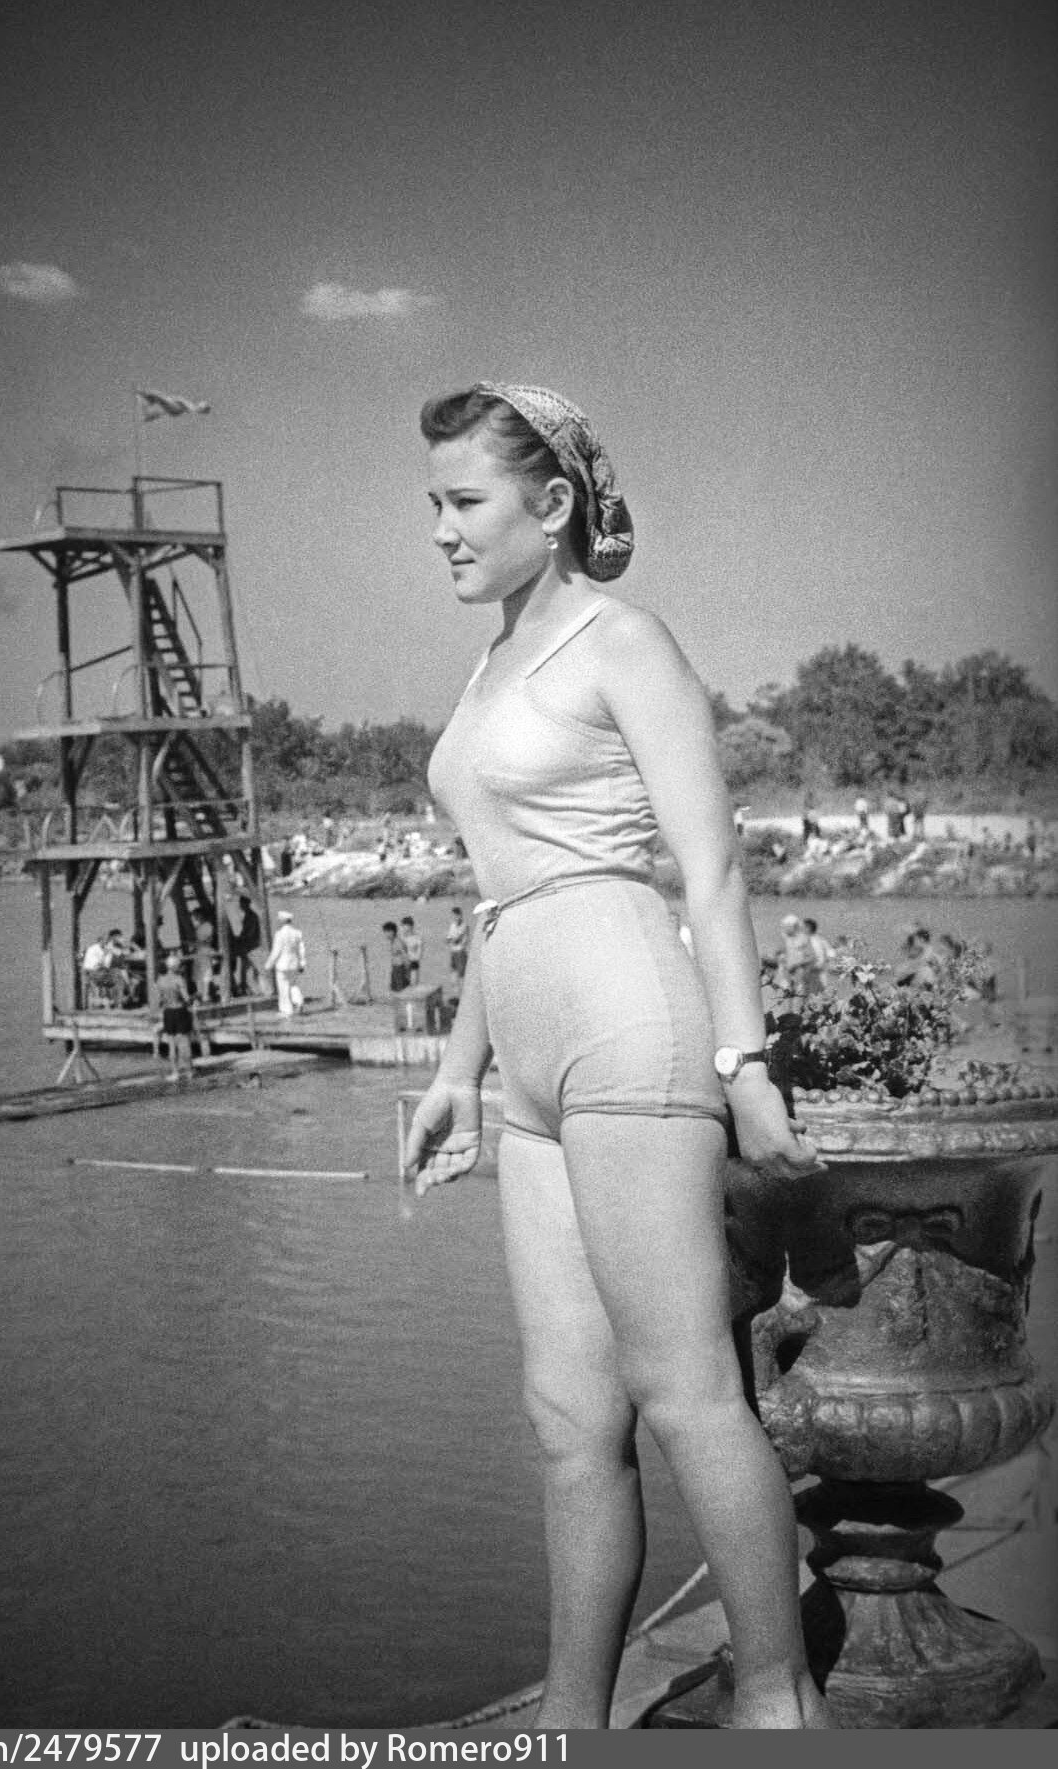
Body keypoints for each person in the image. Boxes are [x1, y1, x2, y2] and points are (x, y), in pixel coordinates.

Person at [402, 382, 829, 1730]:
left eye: (463, 501)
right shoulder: (489, 665)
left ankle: (779, 1704)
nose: (441, 529)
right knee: (568, 1417)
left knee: (684, 1389)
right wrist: (457, 1071)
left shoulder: (623, 640)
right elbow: (500, 890)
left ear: (552, 504)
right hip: (530, 1056)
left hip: (628, 1022)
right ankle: (569, 1723)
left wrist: (745, 1066)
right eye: (433, 504)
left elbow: (709, 864)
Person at [156, 952, 194, 1081]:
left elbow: (159, 1000)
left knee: (171, 1044)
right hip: (180, 1010)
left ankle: (175, 1073)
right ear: (175, 967)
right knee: (184, 1042)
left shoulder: (160, 980)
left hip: (168, 1012)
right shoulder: (179, 979)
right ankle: (189, 1071)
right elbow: (186, 998)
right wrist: (194, 999)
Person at [263, 910, 306, 1015]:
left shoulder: (279, 934)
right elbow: (301, 950)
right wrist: (302, 963)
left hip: (283, 965)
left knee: (283, 988)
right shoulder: (297, 933)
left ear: (282, 921)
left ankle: (286, 1010)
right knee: (293, 984)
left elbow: (276, 952)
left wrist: (268, 965)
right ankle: (299, 1001)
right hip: (294, 963)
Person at [778, 912, 822, 996]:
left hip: (801, 977)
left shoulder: (803, 939)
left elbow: (812, 957)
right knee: (786, 997)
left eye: (786, 926)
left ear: (793, 926)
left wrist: (796, 965)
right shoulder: (786, 940)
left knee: (800, 997)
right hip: (788, 977)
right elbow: (783, 956)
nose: (784, 929)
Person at [231, 894, 263, 996]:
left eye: (241, 903)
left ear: (246, 904)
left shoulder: (252, 916)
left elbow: (250, 933)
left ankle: (257, 991)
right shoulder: (248, 915)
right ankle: (250, 990)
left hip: (252, 947)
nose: (240, 906)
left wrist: (239, 938)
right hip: (248, 946)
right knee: (246, 970)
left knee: (251, 971)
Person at [381, 920, 409, 993]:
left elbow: (405, 955)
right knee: (394, 988)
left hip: (400, 968)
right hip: (396, 968)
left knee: (401, 988)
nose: (385, 935)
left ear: (391, 932)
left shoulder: (398, 942)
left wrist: (407, 970)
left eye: (386, 932)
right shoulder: (393, 941)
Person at [446, 905, 469, 986]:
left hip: (461, 951)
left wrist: (451, 939)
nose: (455, 917)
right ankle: (455, 990)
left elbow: (456, 939)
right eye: (454, 916)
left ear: (460, 915)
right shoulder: (452, 925)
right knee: (453, 972)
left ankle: (462, 990)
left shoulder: (464, 925)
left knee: (462, 975)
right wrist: (450, 939)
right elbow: (448, 938)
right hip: (453, 951)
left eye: (456, 915)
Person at [400, 915, 424, 984]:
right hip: (402, 964)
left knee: (414, 984)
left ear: (410, 926)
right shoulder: (401, 939)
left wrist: (410, 958)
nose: (403, 928)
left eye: (404, 926)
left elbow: (419, 955)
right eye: (402, 926)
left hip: (413, 963)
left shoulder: (417, 938)